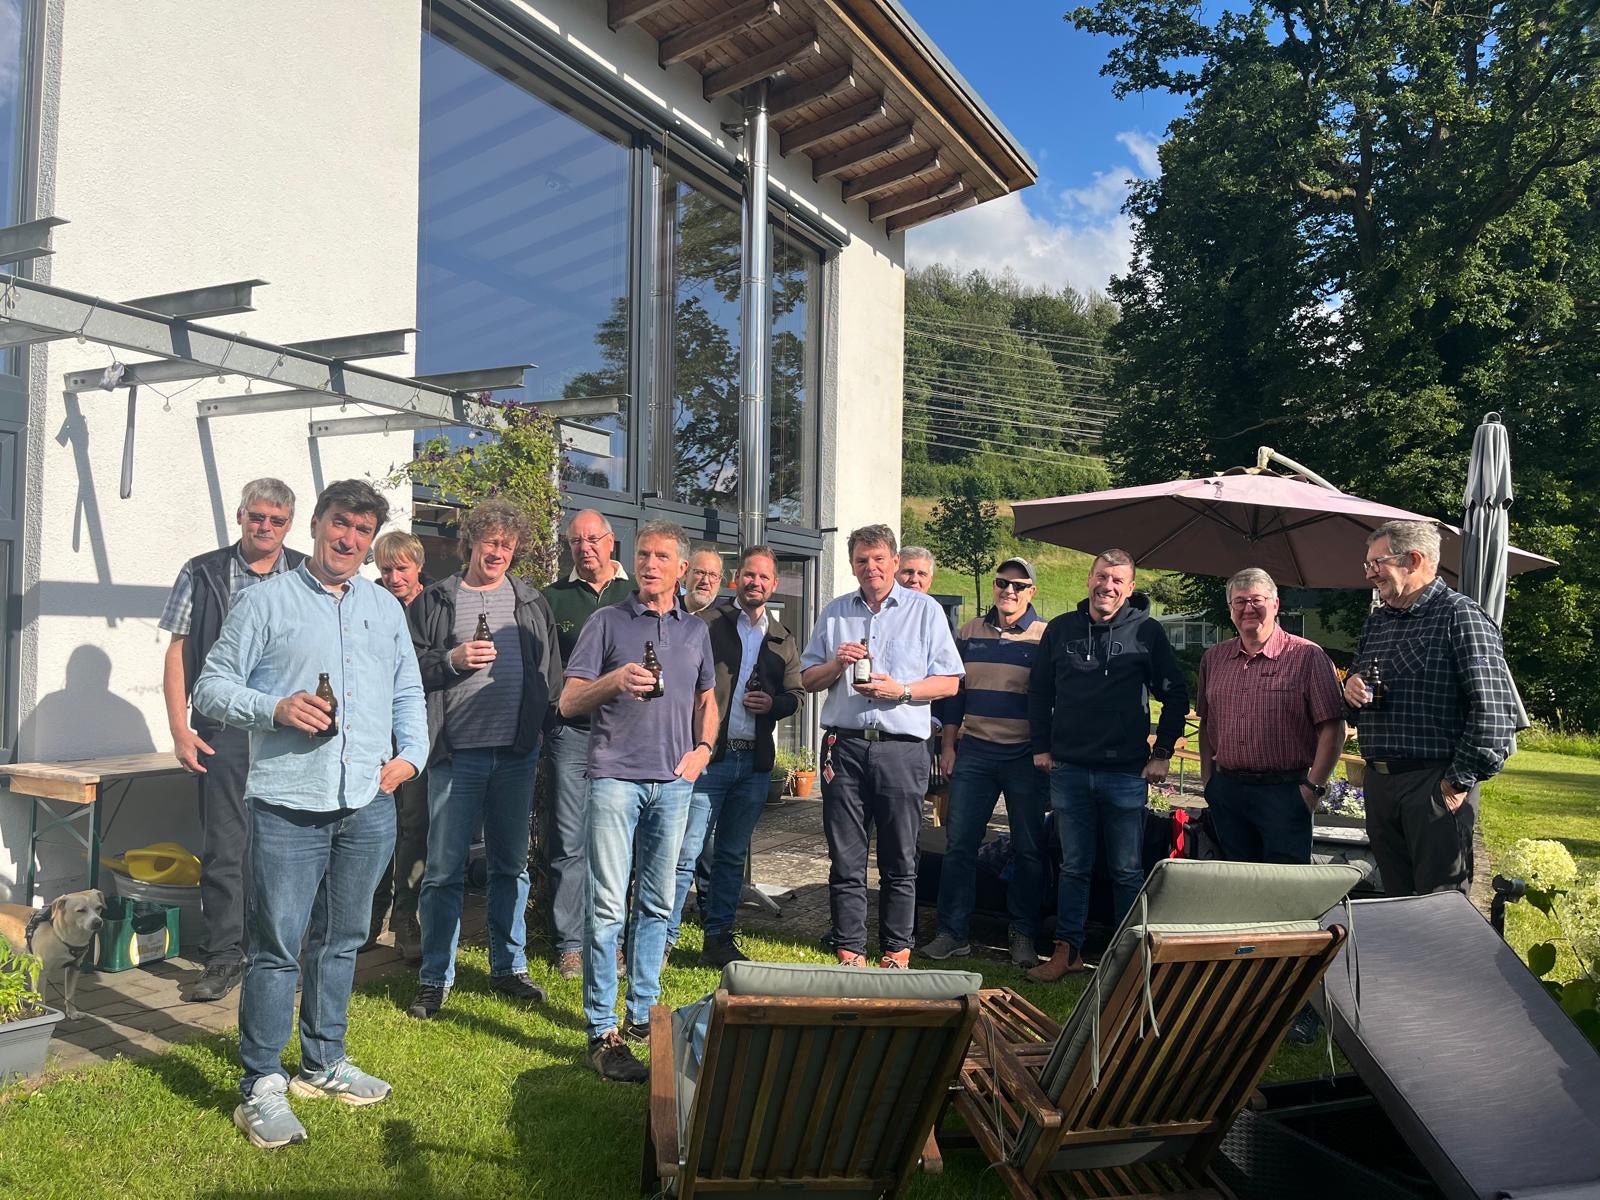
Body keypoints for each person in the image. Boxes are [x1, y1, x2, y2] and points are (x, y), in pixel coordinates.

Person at [192, 479, 426, 1149]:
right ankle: (260, 1084)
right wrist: (276, 708)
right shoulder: (266, 601)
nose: (348, 539)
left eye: (361, 530)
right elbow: (211, 686)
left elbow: (407, 687)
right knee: (275, 950)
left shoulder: (383, 606)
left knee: (344, 940)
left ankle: (323, 1063)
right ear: (317, 525)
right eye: (338, 524)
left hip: (367, 803)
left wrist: (409, 756)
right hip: (290, 803)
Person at [559, 519, 717, 1083]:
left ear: (681, 569)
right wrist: (615, 681)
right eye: (643, 555)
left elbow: (707, 700)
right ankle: (602, 1028)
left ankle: (646, 1016)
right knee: (605, 906)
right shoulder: (607, 621)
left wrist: (703, 748)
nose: (650, 565)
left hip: (673, 784)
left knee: (655, 903)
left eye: (662, 557)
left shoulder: (695, 632)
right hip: (615, 779)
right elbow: (570, 700)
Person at [407, 500, 562, 1020]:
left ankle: (508, 967)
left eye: (508, 545)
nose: (499, 552)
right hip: (456, 756)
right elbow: (408, 671)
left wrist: (538, 733)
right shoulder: (435, 600)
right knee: (444, 871)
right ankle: (434, 977)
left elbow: (550, 676)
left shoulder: (530, 601)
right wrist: (451, 660)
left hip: (515, 756)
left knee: (509, 867)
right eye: (491, 542)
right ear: (470, 542)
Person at [159, 478, 304, 1004]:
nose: (265, 527)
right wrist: (181, 728)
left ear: (290, 525)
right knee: (224, 848)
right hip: (224, 729)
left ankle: (281, 952)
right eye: (256, 517)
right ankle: (223, 957)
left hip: (290, 729)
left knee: (287, 847)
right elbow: (178, 651)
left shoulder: (306, 574)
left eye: (276, 520)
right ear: (240, 515)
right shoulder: (203, 571)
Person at [800, 524, 963, 968]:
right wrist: (837, 662)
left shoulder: (925, 611)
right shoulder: (835, 612)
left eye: (877, 559)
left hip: (901, 748)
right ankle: (850, 949)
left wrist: (903, 691)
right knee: (846, 854)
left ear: (893, 561)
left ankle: (896, 950)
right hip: (845, 747)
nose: (869, 568)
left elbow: (949, 682)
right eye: (860, 561)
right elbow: (807, 679)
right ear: (852, 565)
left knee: (900, 855)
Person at [1027, 549, 1187, 981]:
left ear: (1130, 588)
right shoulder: (1062, 630)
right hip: (1069, 769)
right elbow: (1040, 692)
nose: (1108, 586)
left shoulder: (1147, 632)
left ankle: (1128, 959)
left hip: (1125, 772)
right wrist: (1041, 746)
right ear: (1089, 579)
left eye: (1117, 580)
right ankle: (1068, 951)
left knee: (1126, 870)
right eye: (1101, 577)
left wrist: (1162, 752)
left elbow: (1175, 693)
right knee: (1073, 866)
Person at [1344, 520, 1518, 896]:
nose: (1371, 574)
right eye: (1368, 565)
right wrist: (1351, 689)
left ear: (1414, 559)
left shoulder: (1460, 615)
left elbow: (1493, 710)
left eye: (1378, 563)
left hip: (1431, 782)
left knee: (1440, 908)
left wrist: (1456, 784)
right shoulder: (1378, 622)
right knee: (1395, 902)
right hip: (1380, 781)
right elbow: (1357, 698)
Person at [667, 545, 804, 968]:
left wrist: (775, 705)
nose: (755, 583)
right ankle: (662, 939)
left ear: (774, 584)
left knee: (730, 856)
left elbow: (796, 694)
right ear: (736, 579)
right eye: (748, 575)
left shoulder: (782, 638)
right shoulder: (706, 623)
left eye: (764, 577)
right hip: (709, 758)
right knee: (685, 853)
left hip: (754, 765)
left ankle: (718, 939)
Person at [919, 557, 1048, 968]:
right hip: (974, 751)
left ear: (1031, 591)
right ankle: (952, 932)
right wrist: (949, 746)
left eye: (1018, 585)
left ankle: (1022, 933)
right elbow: (954, 695)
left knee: (1029, 848)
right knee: (960, 845)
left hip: (1025, 756)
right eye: (1002, 583)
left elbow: (1051, 700)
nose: (1008, 591)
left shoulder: (1045, 636)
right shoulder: (970, 632)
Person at [1197, 568, 1345, 864]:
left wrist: (1312, 789)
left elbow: (1333, 727)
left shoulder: (1307, 656)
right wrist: (1207, 780)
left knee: (1285, 888)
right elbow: (1206, 721)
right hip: (1228, 791)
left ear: (1275, 605)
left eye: (1256, 600)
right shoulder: (1214, 658)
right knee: (1236, 881)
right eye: (1239, 602)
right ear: (1230, 610)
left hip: (1285, 792)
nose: (1248, 608)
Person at [541, 509, 632, 979]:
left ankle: (609, 939)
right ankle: (571, 943)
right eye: (576, 541)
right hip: (573, 735)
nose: (585, 548)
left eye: (592, 539)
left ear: (611, 542)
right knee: (569, 841)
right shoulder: (552, 599)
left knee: (615, 843)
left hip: (625, 735)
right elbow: (542, 666)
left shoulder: (635, 594)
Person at [368, 530, 430, 961]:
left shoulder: (434, 605)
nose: (393, 578)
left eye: (401, 569)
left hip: (419, 732)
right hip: (373, 732)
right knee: (371, 827)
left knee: (413, 826)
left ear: (418, 567)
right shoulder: (364, 601)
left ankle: (406, 918)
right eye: (386, 569)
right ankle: (368, 917)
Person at [683, 548, 725, 614]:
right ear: (686, 573)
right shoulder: (668, 608)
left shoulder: (726, 617)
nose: (705, 581)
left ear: (719, 580)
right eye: (700, 572)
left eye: (713, 575)